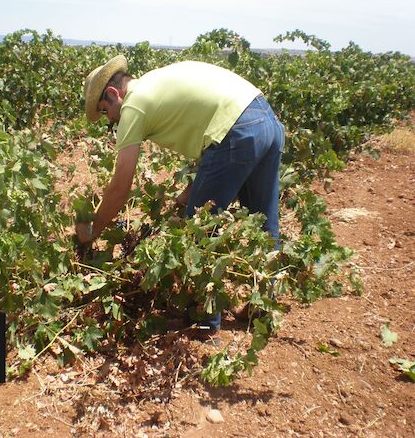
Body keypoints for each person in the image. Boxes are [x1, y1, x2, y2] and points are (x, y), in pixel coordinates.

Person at [76, 55, 285, 335]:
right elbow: (208, 118)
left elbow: (119, 187)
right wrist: (193, 189)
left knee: (198, 229)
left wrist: (89, 231)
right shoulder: (159, 80)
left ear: (114, 94)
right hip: (265, 119)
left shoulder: (134, 106)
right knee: (264, 220)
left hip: (235, 131)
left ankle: (204, 321)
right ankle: (264, 309)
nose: (110, 120)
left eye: (105, 111)